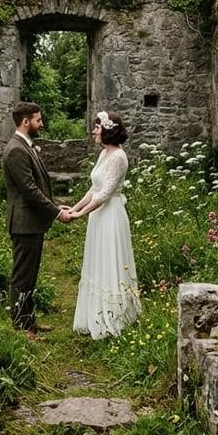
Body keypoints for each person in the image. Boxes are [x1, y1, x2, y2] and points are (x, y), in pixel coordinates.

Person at [66, 110, 141, 339]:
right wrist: (74, 208)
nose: (93, 131)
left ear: (108, 130)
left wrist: (79, 215)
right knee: (97, 260)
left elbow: (105, 194)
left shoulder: (119, 157)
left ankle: (115, 317)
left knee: (111, 260)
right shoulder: (104, 154)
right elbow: (93, 189)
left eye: (97, 127)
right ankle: (96, 315)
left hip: (110, 215)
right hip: (98, 216)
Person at [2, 101, 73, 336]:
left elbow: (36, 187)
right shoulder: (16, 150)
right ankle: (22, 328)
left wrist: (54, 204)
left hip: (31, 222)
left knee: (30, 276)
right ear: (26, 121)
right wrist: (56, 212)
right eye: (38, 120)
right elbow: (30, 190)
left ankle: (29, 320)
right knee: (22, 276)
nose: (41, 124)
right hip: (24, 223)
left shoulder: (26, 146)